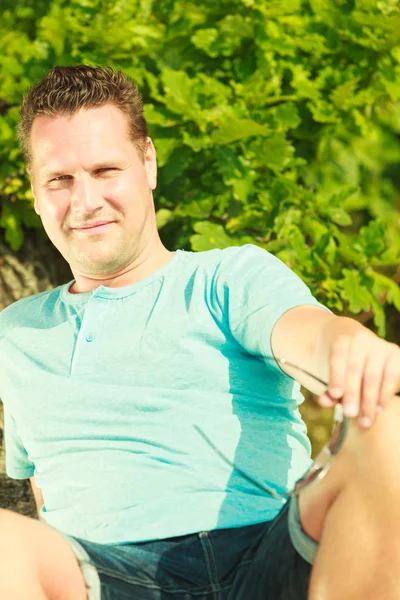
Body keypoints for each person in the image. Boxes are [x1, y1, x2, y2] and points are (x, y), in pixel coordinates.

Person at [0, 65, 399, 600]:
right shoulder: (16, 333)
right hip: (111, 576)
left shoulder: (225, 278)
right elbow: (41, 492)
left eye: (104, 170)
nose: (85, 201)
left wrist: (346, 346)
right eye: (60, 179)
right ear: (34, 191)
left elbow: (307, 336)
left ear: (148, 164)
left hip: (267, 555)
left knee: (389, 428)